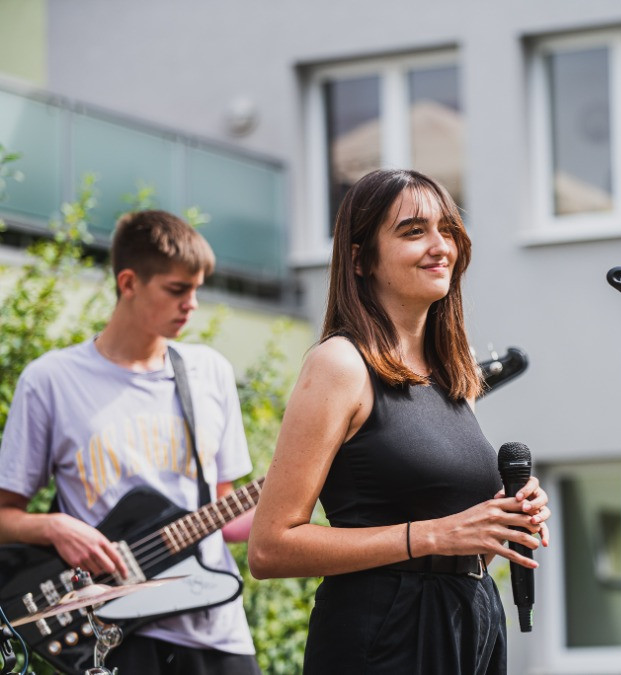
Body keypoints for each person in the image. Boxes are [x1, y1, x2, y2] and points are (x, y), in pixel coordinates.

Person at [248, 168, 551, 674]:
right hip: (384, 633)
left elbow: (454, 543)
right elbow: (270, 547)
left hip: (469, 620)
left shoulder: (453, 374)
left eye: (447, 229)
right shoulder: (340, 364)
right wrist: (436, 535)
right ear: (360, 258)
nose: (441, 246)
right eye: (414, 231)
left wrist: (500, 522)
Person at [0, 210, 261, 674]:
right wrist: (54, 526)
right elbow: (4, 517)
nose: (192, 304)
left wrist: (299, 494)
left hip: (216, 628)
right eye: (177, 289)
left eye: (197, 289)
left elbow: (226, 512)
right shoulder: (51, 381)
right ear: (128, 282)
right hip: (110, 633)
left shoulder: (211, 372)